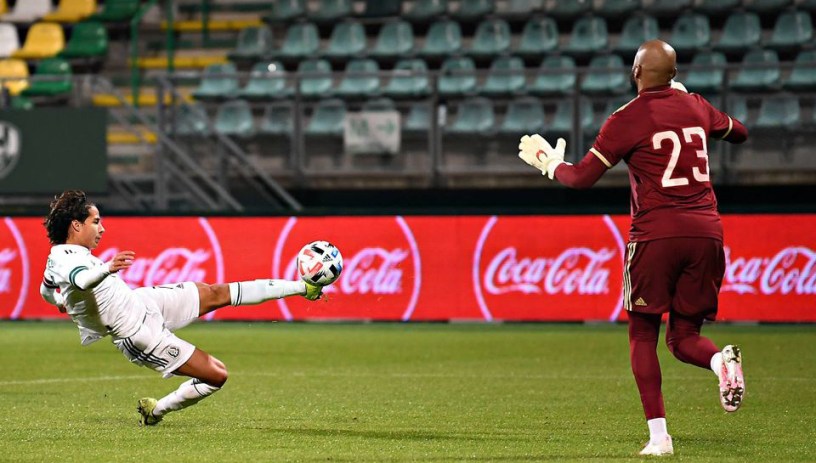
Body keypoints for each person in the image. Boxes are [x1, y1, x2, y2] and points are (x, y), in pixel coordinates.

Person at [518, 40, 748, 456]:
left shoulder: (626, 119)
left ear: (637, 72)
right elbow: (740, 132)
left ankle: (660, 438)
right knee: (683, 337)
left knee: (643, 333)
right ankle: (720, 364)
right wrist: (691, 103)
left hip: (656, 235)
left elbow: (581, 179)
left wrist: (548, 162)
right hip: (707, 233)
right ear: (675, 74)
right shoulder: (696, 106)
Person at [39, 190, 326, 426]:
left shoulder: (60, 258)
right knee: (216, 374)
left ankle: (302, 288)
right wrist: (107, 268)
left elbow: (45, 290)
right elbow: (84, 280)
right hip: (137, 333)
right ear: (76, 225)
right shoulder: (67, 260)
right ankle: (156, 410)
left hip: (142, 301)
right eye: (96, 221)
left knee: (214, 292)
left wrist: (60, 302)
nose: (102, 228)